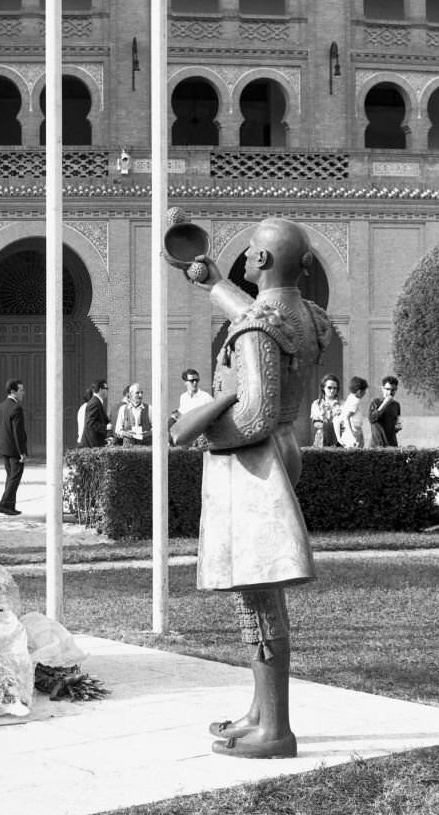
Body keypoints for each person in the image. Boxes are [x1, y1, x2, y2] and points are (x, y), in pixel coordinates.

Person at [172, 217, 331, 759]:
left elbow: (256, 414)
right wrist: (214, 283)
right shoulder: (308, 317)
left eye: (246, 256)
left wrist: (206, 422)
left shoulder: (258, 329)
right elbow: (260, 317)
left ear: (262, 262)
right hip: (287, 451)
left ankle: (276, 730)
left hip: (254, 461)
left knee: (258, 596)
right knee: (261, 592)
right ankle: (261, 711)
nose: (242, 261)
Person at [0, 380, 27, 516]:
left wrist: (0, 444)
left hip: (4, 449)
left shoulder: (0, 407)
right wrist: (22, 452)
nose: (23, 393)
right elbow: (17, 433)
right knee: (15, 478)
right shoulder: (16, 408)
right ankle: (4, 505)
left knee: (10, 477)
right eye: (21, 390)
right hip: (14, 450)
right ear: (13, 391)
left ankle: (10, 507)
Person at [309, 373, 342, 447]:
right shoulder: (317, 404)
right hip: (322, 439)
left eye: (335, 388)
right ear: (323, 388)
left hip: (339, 439)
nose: (332, 390)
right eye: (329, 388)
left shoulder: (342, 404)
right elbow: (316, 424)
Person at [369, 376, 401, 447]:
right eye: (387, 389)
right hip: (377, 446)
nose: (390, 392)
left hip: (392, 445)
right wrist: (385, 404)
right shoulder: (376, 402)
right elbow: (372, 419)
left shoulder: (396, 405)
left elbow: (395, 424)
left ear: (396, 390)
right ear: (382, 388)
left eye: (393, 390)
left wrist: (397, 427)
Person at [338, 377, 369, 448]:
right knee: (358, 447)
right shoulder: (355, 401)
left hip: (352, 427)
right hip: (354, 427)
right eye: (364, 391)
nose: (365, 393)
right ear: (359, 392)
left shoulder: (351, 397)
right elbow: (347, 417)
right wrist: (351, 431)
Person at [80, 380, 110, 447]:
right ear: (100, 389)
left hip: (96, 443)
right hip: (92, 445)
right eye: (106, 389)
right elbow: (90, 423)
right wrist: (105, 427)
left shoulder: (97, 402)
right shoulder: (94, 403)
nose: (108, 391)